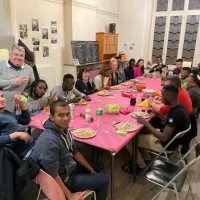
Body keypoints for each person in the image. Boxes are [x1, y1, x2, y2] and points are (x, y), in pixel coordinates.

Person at [31, 100, 109, 200]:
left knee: (96, 167)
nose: (66, 118)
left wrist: (91, 170)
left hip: (68, 167)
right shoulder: (49, 141)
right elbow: (52, 173)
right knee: (104, 180)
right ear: (52, 117)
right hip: (64, 178)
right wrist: (69, 195)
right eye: (61, 115)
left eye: (68, 114)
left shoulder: (64, 129)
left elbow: (74, 150)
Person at [124, 84, 190, 173]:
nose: (161, 98)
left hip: (166, 146)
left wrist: (145, 122)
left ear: (169, 96)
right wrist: (158, 114)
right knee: (141, 132)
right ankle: (146, 158)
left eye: (162, 96)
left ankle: (141, 166)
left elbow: (163, 137)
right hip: (172, 141)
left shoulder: (175, 114)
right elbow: (171, 123)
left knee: (129, 141)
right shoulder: (179, 107)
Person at [0, 89, 34, 159]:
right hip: (25, 153)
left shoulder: (6, 112)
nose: (2, 99)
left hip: (31, 145)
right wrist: (17, 134)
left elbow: (26, 120)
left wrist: (21, 104)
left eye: (2, 96)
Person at [0, 45, 35, 112]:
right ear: (9, 55)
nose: (18, 57)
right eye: (16, 55)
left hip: (20, 103)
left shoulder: (29, 69)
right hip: (2, 103)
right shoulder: (1, 65)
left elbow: (31, 87)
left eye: (21, 55)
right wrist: (14, 82)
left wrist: (22, 96)